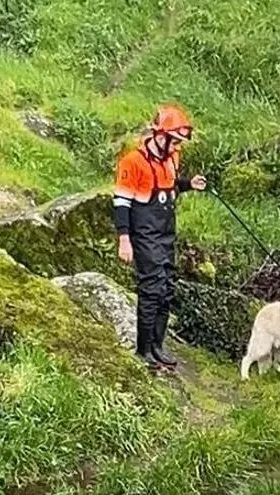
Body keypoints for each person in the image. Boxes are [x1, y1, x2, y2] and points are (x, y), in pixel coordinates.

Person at [113, 104, 207, 369]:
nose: (177, 145)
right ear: (159, 134)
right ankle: (144, 351)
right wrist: (124, 239)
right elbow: (121, 203)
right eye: (174, 139)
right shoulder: (132, 162)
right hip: (144, 235)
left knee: (166, 290)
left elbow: (169, 185)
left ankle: (158, 346)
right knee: (151, 290)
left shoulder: (172, 157)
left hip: (166, 233)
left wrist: (189, 184)